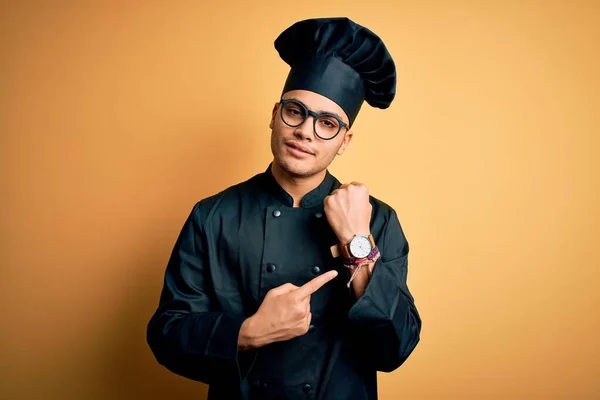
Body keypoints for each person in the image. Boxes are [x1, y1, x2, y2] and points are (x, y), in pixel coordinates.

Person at [147, 17, 422, 400]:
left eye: (327, 123)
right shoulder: (213, 215)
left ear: (344, 140)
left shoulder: (377, 219)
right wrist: (249, 332)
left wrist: (357, 239)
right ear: (275, 114)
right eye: (296, 112)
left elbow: (396, 348)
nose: (306, 132)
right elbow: (166, 334)